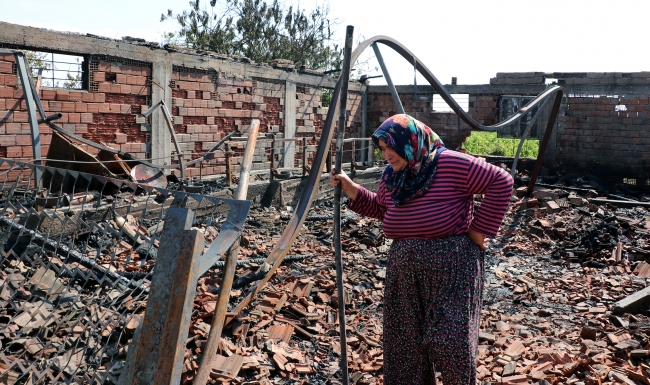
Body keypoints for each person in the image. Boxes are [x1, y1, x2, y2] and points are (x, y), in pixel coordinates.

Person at [329, 114, 513, 385]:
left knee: (452, 343)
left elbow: (502, 181)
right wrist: (351, 188)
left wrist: (478, 230)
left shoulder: (450, 162)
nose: (387, 154)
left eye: (391, 146)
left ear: (410, 142)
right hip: (404, 272)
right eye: (382, 149)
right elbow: (382, 209)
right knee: (406, 346)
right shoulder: (393, 175)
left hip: (452, 268)